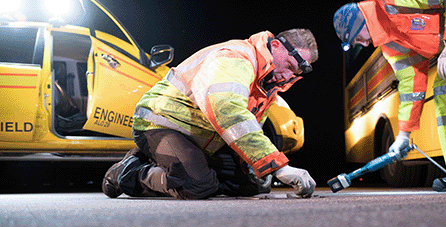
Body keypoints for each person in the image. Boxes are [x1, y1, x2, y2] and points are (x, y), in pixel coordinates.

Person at [102, 29, 318, 199]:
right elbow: (228, 111)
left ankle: (172, 164)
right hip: (162, 124)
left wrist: (257, 169)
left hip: (199, 138)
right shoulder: (237, 57)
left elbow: (247, 127)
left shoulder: (266, 84)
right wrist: (278, 166)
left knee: (255, 185)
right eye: (289, 65)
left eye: (295, 73)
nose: (287, 76)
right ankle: (129, 173)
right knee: (198, 185)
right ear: (277, 46)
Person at [334, 0, 446, 192]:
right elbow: (410, 84)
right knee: (443, 89)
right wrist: (403, 135)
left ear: (362, 21)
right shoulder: (391, 45)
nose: (364, 44)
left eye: (358, 38)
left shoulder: (393, 2)